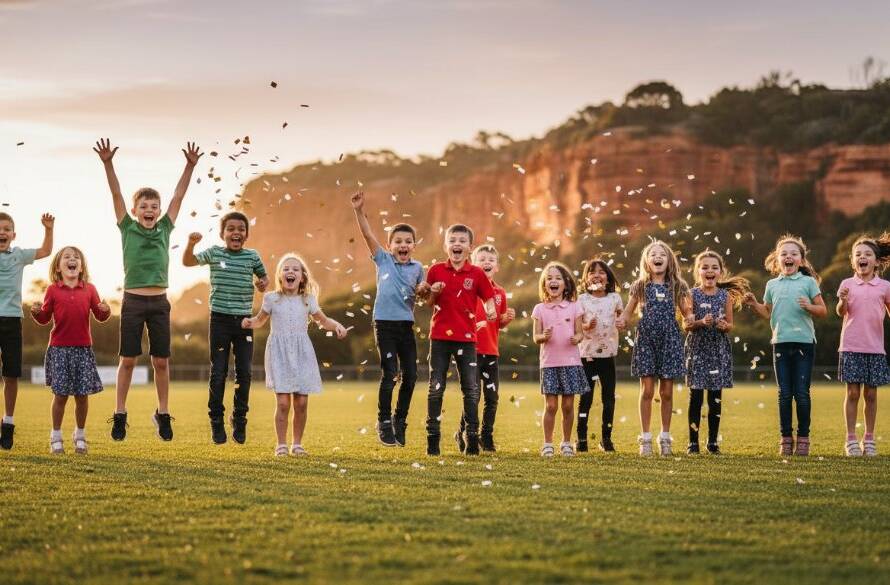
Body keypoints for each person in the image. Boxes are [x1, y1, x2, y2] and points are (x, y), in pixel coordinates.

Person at [94, 138, 203, 442]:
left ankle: (163, 413)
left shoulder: (166, 228)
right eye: (144, 206)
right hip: (132, 302)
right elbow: (115, 193)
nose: (150, 210)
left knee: (161, 362)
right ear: (134, 210)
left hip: (159, 302)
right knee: (127, 360)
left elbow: (179, 197)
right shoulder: (127, 228)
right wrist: (107, 163)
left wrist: (189, 166)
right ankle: (120, 414)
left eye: (154, 206)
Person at [242, 254, 347, 457]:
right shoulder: (271, 298)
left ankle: (297, 444)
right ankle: (281, 444)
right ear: (280, 276)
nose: (290, 271)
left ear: (302, 277)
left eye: (295, 269)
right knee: (282, 402)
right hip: (279, 353)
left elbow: (323, 321)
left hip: (302, 353)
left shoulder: (308, 300)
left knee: (301, 402)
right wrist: (249, 323)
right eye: (286, 269)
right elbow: (260, 320)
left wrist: (337, 326)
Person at [183, 212, 268, 445]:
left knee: (245, 373)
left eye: (241, 229)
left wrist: (262, 284)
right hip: (219, 320)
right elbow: (188, 262)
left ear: (247, 235)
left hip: (244, 322)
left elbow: (264, 279)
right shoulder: (214, 252)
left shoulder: (253, 256)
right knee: (218, 371)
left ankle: (239, 418)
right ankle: (216, 420)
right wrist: (191, 244)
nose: (236, 232)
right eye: (230, 229)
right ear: (223, 234)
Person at [350, 191, 424, 447]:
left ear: (414, 245)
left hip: (406, 326)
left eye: (408, 241)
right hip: (384, 324)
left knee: (411, 375)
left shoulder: (418, 268)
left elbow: (423, 292)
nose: (403, 245)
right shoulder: (383, 260)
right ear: (390, 246)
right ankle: (383, 421)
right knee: (391, 373)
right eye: (398, 241)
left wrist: (428, 290)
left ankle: (399, 421)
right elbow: (368, 236)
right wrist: (359, 211)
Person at [745, 234, 827, 456]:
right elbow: (768, 312)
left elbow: (823, 310)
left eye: (794, 254)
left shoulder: (808, 282)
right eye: (784, 254)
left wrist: (809, 306)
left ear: (801, 260)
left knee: (801, 393)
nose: (788, 257)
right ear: (777, 260)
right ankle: (785, 438)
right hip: (780, 343)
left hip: (804, 344)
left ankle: (803, 438)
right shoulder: (772, 284)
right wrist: (754, 304)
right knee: (784, 394)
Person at [419, 224, 496, 456]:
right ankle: (433, 442)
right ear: (446, 245)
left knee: (471, 390)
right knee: (436, 388)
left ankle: (472, 440)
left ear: (469, 247)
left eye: (462, 241)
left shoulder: (477, 274)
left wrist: (491, 310)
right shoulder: (435, 270)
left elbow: (488, 298)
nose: (457, 244)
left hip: (467, 339)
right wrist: (433, 291)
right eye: (453, 240)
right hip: (440, 338)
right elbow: (428, 302)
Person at [31, 246, 110, 454]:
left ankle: (80, 435)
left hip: (83, 349)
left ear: (81, 266)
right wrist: (37, 313)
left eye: (76, 257)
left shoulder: (90, 289)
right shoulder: (53, 290)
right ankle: (55, 436)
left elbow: (100, 316)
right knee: (60, 395)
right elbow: (44, 318)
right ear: (58, 267)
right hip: (59, 350)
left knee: (82, 395)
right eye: (67, 257)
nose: (72, 259)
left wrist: (105, 310)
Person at [617, 240, 692, 456]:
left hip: (670, 340)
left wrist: (694, 318)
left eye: (662, 255)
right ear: (647, 262)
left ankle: (665, 437)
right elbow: (627, 313)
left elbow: (687, 314)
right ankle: (646, 438)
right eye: (653, 254)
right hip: (646, 341)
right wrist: (621, 320)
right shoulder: (640, 286)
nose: (658, 257)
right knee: (647, 390)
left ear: (669, 261)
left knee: (666, 392)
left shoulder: (678, 285)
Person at [683, 251, 749, 455]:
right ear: (697, 272)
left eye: (714, 267)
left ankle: (712, 442)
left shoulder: (725, 296)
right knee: (695, 397)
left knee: (715, 398)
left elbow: (730, 325)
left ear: (720, 272)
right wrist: (701, 322)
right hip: (697, 349)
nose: (709, 270)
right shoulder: (691, 294)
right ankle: (693, 443)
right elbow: (686, 324)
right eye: (705, 267)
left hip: (717, 349)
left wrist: (723, 325)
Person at [0, 211, 54, 450]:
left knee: (11, 375)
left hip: (12, 321)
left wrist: (48, 229)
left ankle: (8, 423)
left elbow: (45, 252)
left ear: (13, 234)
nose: (2, 232)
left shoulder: (19, 255)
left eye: (6, 229)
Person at [455, 244, 514, 453]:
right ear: (473, 263)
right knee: (473, 396)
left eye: (491, 260)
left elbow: (497, 323)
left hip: (491, 351)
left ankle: (486, 436)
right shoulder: (468, 288)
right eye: (482, 259)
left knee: (492, 398)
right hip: (470, 350)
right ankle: (463, 431)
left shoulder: (500, 293)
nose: (487, 262)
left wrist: (505, 320)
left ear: (497, 266)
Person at [835, 233, 890, 457]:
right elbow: (841, 312)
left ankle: (868, 439)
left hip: (875, 348)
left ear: (876, 261)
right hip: (850, 346)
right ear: (853, 261)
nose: (862, 257)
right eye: (858, 254)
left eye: (867, 254)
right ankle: (850, 440)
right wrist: (843, 300)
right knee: (853, 393)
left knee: (871, 395)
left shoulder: (884, 286)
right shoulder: (847, 284)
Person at [532, 262, 588, 457]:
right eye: (549, 279)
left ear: (566, 283)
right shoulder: (539, 309)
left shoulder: (574, 307)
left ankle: (566, 443)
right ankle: (548, 444)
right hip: (549, 364)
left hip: (571, 363)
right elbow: (536, 337)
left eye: (557, 278)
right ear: (544, 284)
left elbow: (580, 333)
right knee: (551, 406)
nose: (553, 281)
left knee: (567, 405)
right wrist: (544, 337)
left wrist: (577, 338)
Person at [576, 258, 623, 453]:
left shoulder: (614, 298)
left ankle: (606, 438)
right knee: (586, 398)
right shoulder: (582, 300)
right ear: (586, 279)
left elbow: (622, 317)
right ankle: (581, 439)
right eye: (592, 272)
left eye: (602, 272)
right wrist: (586, 326)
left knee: (608, 398)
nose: (597, 274)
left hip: (608, 355)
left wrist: (622, 322)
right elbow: (577, 326)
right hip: (587, 355)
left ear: (608, 278)